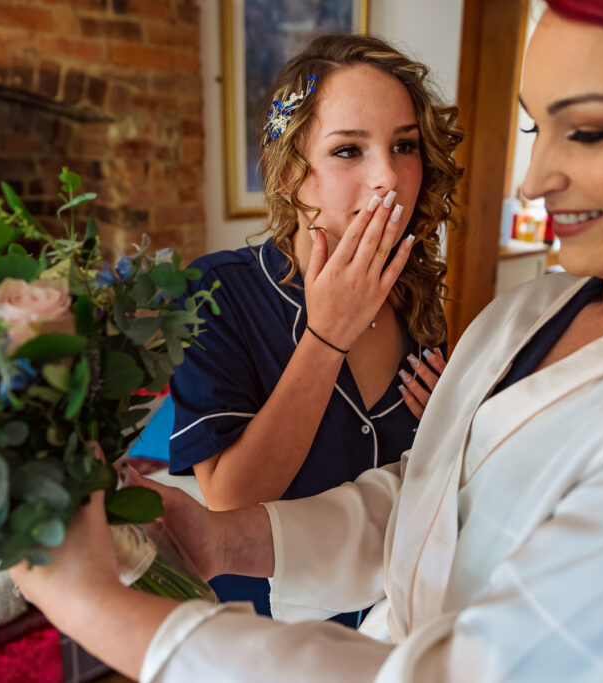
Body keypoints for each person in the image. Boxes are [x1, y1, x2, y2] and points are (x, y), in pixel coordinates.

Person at [13, 1, 603, 680]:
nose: (534, 179)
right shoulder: (528, 313)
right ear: (295, 170)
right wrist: (227, 540)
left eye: (592, 128)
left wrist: (108, 611)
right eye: (538, 128)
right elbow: (428, 507)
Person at [151, 34, 460, 625]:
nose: (388, 178)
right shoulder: (214, 292)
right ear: (293, 170)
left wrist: (458, 421)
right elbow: (231, 498)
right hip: (274, 633)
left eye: (404, 146)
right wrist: (326, 337)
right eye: (349, 150)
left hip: (401, 620)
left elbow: (421, 481)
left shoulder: (416, 294)